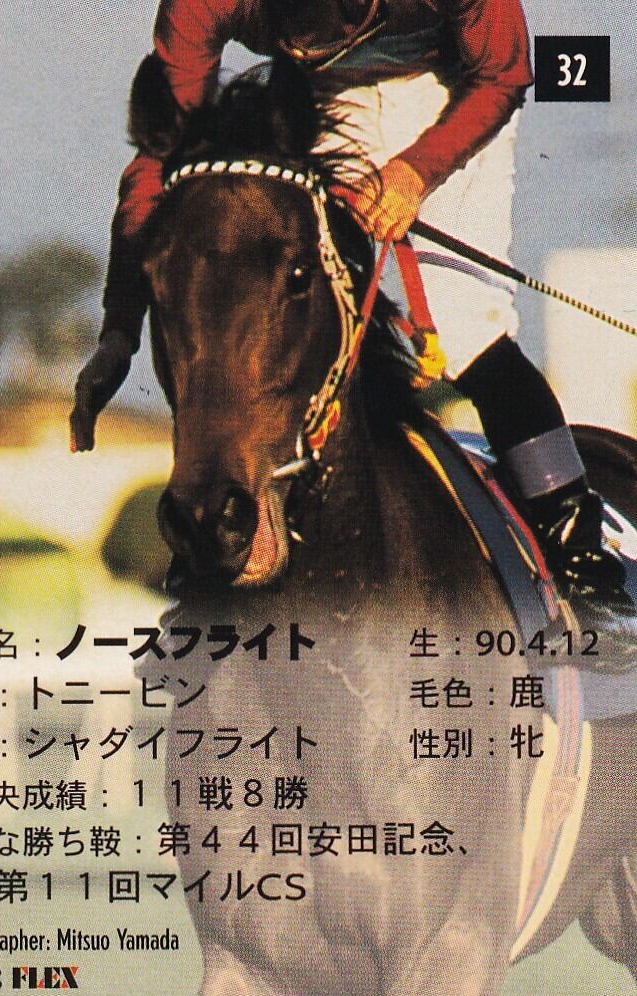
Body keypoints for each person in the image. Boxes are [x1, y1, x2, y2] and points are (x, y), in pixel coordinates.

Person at [71, 0, 633, 629]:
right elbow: (161, 158)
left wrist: (416, 173)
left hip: (448, 92)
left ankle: (580, 557)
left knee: (466, 331)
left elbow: (503, 74)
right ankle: (214, 555)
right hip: (312, 98)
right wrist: (120, 328)